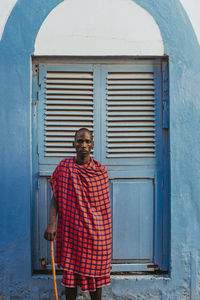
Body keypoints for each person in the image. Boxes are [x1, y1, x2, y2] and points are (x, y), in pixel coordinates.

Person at [44, 128, 112, 300]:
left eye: (87, 141)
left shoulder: (100, 172)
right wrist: (52, 223)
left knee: (95, 280)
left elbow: (103, 209)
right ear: (73, 144)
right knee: (71, 279)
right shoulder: (64, 168)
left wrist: (101, 234)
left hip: (96, 235)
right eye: (80, 141)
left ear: (92, 145)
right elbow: (56, 199)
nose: (83, 145)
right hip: (71, 234)